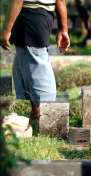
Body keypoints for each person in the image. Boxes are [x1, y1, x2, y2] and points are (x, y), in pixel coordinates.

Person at [1, 0, 70, 133]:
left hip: (30, 17)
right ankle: (35, 117)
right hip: (40, 17)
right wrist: (63, 28)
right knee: (26, 68)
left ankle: (50, 122)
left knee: (38, 70)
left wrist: (6, 29)